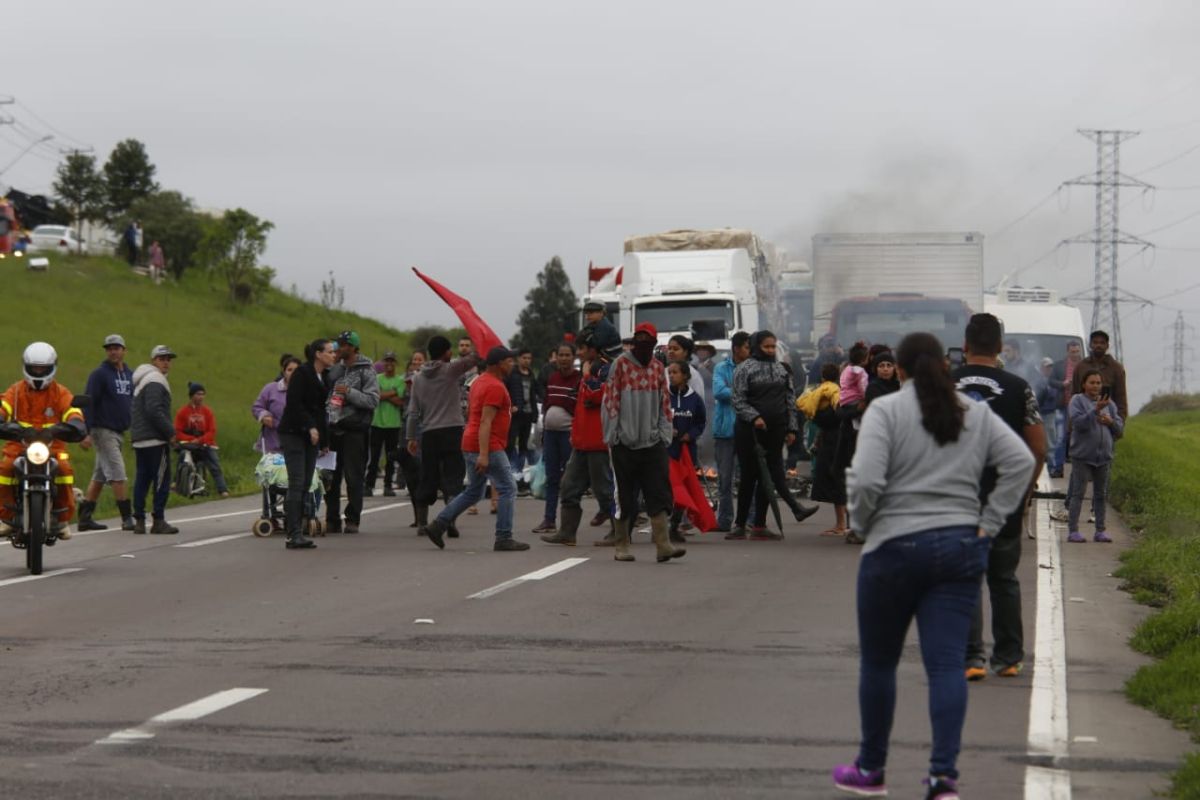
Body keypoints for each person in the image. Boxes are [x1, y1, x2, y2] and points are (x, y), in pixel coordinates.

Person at [833, 332, 1035, 799]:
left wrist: (864, 524)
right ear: (948, 366)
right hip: (960, 545)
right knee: (946, 665)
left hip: (893, 547)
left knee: (880, 664)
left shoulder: (884, 411)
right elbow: (1021, 462)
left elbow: (864, 480)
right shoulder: (975, 413)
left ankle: (872, 770)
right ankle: (943, 777)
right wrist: (988, 520)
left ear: (898, 370)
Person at [952, 313, 1046, 681]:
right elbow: (1037, 447)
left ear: (965, 346)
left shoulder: (941, 385)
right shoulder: (1019, 387)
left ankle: (970, 658)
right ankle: (1008, 658)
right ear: (1000, 347)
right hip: (1004, 495)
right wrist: (1026, 490)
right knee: (1004, 578)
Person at [420, 347, 528, 551]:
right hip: (487, 445)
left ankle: (438, 525)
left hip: (470, 441)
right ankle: (504, 537)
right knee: (507, 488)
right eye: (509, 361)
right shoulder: (495, 387)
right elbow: (486, 422)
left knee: (474, 491)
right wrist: (485, 454)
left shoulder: (479, 382)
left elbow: (471, 412)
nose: (512, 364)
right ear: (498, 364)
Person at [602, 323, 685, 563]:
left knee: (658, 493)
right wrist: (613, 435)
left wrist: (663, 435)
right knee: (625, 497)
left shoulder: (659, 369)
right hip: (623, 443)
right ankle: (622, 546)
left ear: (654, 341)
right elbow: (611, 401)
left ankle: (663, 545)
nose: (642, 343)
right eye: (638, 338)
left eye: (647, 339)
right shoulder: (620, 365)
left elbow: (665, 405)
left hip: (652, 443)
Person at [729, 330, 819, 541]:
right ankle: (740, 525)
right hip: (750, 432)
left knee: (770, 476)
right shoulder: (744, 369)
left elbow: (789, 401)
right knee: (749, 477)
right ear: (755, 346)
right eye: (766, 346)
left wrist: (791, 429)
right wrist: (754, 417)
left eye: (772, 346)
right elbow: (738, 400)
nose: (770, 350)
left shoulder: (781, 370)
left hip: (776, 431)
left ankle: (759, 525)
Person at [0, 342, 87, 539]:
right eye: (35, 368)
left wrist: (73, 426)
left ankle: (62, 520)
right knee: (5, 469)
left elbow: (74, 414)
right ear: (26, 367)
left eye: (43, 369)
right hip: (18, 445)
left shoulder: (60, 393)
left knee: (64, 469)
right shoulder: (15, 392)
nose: (38, 372)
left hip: (52, 446)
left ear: (52, 368)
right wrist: (9, 427)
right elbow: (2, 409)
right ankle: (6, 518)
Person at [540, 330, 617, 547]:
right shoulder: (590, 368)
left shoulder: (605, 369)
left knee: (604, 490)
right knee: (569, 486)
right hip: (582, 440)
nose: (579, 353)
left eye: (582, 349)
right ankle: (567, 532)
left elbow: (599, 395)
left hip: (598, 441)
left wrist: (586, 376)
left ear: (593, 349)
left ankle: (619, 532)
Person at [406, 336, 477, 534]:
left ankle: (422, 523)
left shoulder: (418, 377)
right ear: (446, 352)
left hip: (429, 433)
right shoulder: (451, 369)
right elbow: (476, 359)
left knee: (428, 475)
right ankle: (449, 520)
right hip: (453, 430)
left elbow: (413, 411)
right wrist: (478, 336)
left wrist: (411, 437)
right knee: (453, 477)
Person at [278, 339, 337, 549]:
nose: (334, 355)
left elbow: (321, 410)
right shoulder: (302, 374)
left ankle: (298, 530)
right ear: (318, 354)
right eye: (330, 352)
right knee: (297, 480)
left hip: (311, 436)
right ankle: (292, 534)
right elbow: (294, 404)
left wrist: (325, 440)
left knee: (306, 483)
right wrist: (310, 427)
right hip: (293, 432)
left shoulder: (325, 377)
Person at [324, 330, 379, 534]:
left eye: (344, 345)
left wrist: (350, 393)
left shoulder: (367, 370)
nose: (340, 348)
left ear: (354, 347)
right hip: (333, 427)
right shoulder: (333, 370)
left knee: (354, 476)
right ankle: (331, 518)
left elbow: (373, 400)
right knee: (330, 476)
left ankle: (352, 518)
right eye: (339, 344)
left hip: (355, 429)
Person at [79, 334, 135, 532]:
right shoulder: (100, 374)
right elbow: (89, 403)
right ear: (106, 351)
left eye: (117, 347)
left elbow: (132, 403)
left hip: (120, 431)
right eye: (109, 348)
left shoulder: (130, 375)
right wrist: (85, 432)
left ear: (124, 350)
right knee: (118, 472)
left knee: (100, 475)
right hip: (103, 430)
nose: (113, 351)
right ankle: (127, 517)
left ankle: (85, 516)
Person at [1066, 369, 1123, 543]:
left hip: (1104, 457)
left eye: (1098, 383)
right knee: (1078, 493)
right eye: (1092, 382)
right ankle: (1073, 531)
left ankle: (1100, 530)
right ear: (1084, 384)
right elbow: (1078, 424)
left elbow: (1120, 430)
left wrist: (1110, 422)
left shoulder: (1109, 404)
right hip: (1082, 456)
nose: (1096, 386)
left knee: (1100, 494)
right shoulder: (1077, 401)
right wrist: (1094, 411)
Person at [131, 345, 180, 535]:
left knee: (142, 478)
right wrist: (170, 433)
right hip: (155, 439)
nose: (166, 362)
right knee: (161, 479)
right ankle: (158, 519)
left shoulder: (142, 379)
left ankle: (139, 520)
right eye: (162, 359)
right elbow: (154, 410)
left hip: (140, 438)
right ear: (153, 361)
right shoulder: (155, 380)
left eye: (168, 359)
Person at [533, 343, 581, 534]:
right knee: (552, 477)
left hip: (568, 435)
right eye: (560, 355)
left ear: (573, 357)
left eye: (567, 355)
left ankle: (568, 523)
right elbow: (547, 403)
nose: (563, 358)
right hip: (551, 434)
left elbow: (578, 407)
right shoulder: (552, 378)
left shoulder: (579, 379)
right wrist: (544, 430)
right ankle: (549, 519)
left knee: (569, 479)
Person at [798, 362, 846, 536]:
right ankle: (844, 523)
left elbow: (808, 407)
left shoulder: (820, 391)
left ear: (823, 376)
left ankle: (841, 525)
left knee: (836, 480)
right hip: (835, 438)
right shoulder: (837, 390)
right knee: (839, 480)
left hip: (832, 440)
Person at [712, 331, 751, 532]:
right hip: (725, 431)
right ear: (736, 348)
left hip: (746, 430)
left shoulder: (753, 368)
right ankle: (725, 520)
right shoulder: (721, 367)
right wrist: (744, 392)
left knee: (747, 479)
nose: (749, 350)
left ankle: (750, 521)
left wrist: (733, 391)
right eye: (746, 347)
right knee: (724, 480)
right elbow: (719, 392)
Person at [667, 360, 706, 542]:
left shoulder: (695, 399)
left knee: (684, 490)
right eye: (670, 372)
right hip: (666, 450)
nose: (672, 376)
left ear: (685, 375)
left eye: (675, 372)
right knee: (667, 489)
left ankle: (674, 526)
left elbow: (700, 422)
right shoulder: (664, 396)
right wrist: (668, 430)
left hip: (686, 451)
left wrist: (690, 435)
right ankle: (662, 526)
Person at [174, 382, 230, 497]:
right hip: (189, 444)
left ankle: (222, 489)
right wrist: (190, 439)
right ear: (191, 396)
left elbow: (212, 431)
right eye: (198, 394)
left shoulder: (207, 412)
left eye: (202, 394)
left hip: (205, 443)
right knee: (183, 457)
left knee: (214, 464)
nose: (201, 397)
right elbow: (177, 431)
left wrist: (200, 440)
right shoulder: (182, 412)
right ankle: (177, 484)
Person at [366, 352, 404, 497]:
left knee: (391, 457)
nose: (390, 364)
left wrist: (384, 395)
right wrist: (391, 393)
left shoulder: (399, 380)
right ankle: (369, 484)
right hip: (377, 423)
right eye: (387, 360)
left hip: (393, 425)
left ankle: (388, 485)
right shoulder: (377, 378)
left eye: (392, 361)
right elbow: (376, 396)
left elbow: (400, 402)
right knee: (374, 457)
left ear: (395, 363)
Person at [1072, 330, 1128, 423]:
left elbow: (1121, 399)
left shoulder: (1116, 368)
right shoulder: (1081, 367)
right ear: (1090, 345)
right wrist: (1072, 425)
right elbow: (1074, 394)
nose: (1099, 345)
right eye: (1095, 342)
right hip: (1084, 421)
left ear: (1107, 346)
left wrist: (1118, 424)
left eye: (1102, 343)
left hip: (1107, 420)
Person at [505, 348, 541, 494]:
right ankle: (512, 473)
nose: (527, 361)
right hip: (515, 415)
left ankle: (520, 475)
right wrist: (511, 406)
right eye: (524, 358)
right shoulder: (512, 374)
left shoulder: (531, 375)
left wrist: (535, 412)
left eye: (529, 358)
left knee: (525, 446)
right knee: (510, 444)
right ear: (519, 358)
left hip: (528, 414)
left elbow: (534, 393)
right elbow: (505, 391)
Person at [1048, 340, 1083, 480]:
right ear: (1067, 352)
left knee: (1079, 438)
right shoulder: (1059, 365)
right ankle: (1057, 468)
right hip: (1063, 406)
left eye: (1077, 352)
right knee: (1060, 438)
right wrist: (1063, 384)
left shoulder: (1084, 365)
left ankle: (1081, 471)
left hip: (1080, 407)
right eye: (1072, 352)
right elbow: (1051, 381)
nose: (1075, 354)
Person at [252, 355, 301, 455]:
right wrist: (264, 416)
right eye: (289, 370)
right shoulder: (271, 388)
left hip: (296, 444)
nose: (293, 373)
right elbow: (257, 407)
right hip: (272, 443)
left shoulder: (306, 392)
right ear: (284, 372)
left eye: (296, 370)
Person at [1037, 357, 1061, 475]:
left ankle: (1052, 466)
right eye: (1047, 367)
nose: (1049, 369)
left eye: (1050, 367)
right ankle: (1040, 467)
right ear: (1042, 368)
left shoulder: (1053, 381)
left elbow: (1055, 396)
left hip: (1051, 413)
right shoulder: (1038, 380)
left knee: (1051, 440)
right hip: (1039, 413)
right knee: (1039, 441)